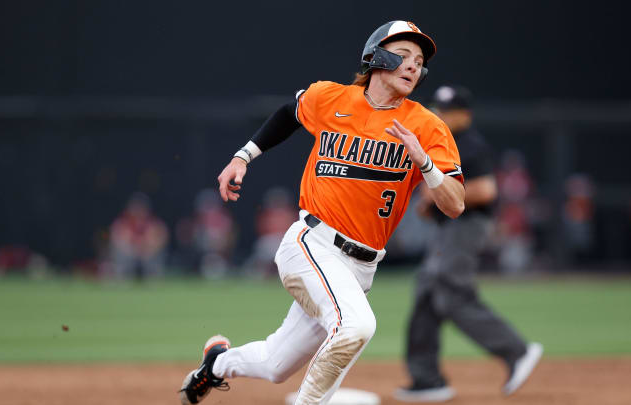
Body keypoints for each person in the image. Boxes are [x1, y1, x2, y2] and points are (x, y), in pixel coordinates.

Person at [179, 21, 465, 405]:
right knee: (356, 326)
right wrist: (243, 156)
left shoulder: (427, 127)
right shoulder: (330, 98)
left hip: (362, 267)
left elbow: (455, 203)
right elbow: (288, 114)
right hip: (311, 243)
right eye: (403, 56)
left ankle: (215, 365)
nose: (414, 66)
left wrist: (425, 164)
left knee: (276, 364)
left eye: (420, 62)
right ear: (376, 56)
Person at [393, 85, 543, 403]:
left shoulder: (471, 145)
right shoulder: (444, 140)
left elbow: (487, 191)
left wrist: (434, 196)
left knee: (450, 293)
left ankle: (516, 350)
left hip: (467, 226)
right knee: (426, 294)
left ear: (465, 115)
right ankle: (426, 378)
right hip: (448, 227)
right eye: (440, 109)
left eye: (449, 111)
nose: (442, 115)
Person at [102, 192, 169, 280]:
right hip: (129, 253)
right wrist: (133, 250)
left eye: (141, 208)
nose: (138, 211)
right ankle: (120, 276)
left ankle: (153, 277)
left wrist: (148, 248)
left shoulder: (153, 223)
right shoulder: (123, 222)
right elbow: (118, 241)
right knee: (120, 254)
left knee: (155, 256)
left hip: (147, 253)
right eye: (136, 208)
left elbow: (161, 238)